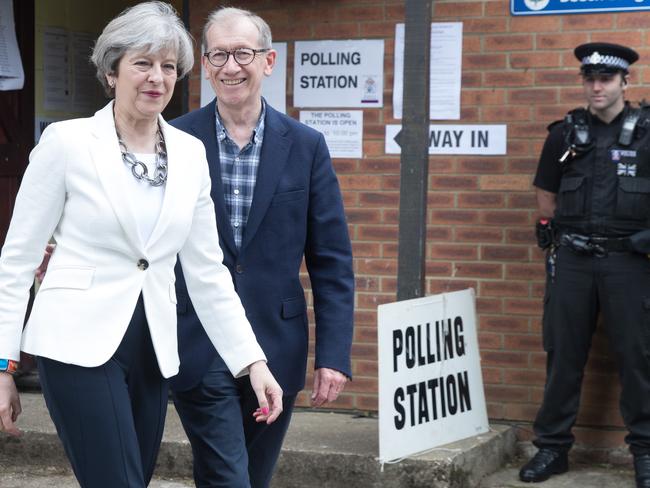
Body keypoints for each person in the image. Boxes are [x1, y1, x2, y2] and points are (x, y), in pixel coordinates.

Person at [0, 3, 282, 487]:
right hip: (76, 345)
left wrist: (252, 362)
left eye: (169, 66)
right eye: (142, 63)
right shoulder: (67, 143)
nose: (157, 77)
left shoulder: (191, 154)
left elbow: (207, 272)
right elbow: (18, 259)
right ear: (112, 71)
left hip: (153, 348)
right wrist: (3, 364)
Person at [169, 7, 355, 488]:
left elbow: (331, 261)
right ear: (205, 65)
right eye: (219, 55)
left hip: (276, 343)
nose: (231, 66)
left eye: (243, 53)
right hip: (199, 340)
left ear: (268, 61)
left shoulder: (306, 145)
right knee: (226, 475)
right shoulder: (175, 141)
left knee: (252, 474)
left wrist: (333, 354)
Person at [521, 42, 650, 488]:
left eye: (606, 79)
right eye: (590, 79)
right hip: (573, 260)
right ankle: (552, 449)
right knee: (563, 356)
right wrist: (554, 237)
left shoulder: (648, 133)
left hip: (630, 262)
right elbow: (546, 193)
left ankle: (646, 454)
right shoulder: (564, 134)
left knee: (638, 358)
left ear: (624, 82)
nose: (597, 86)